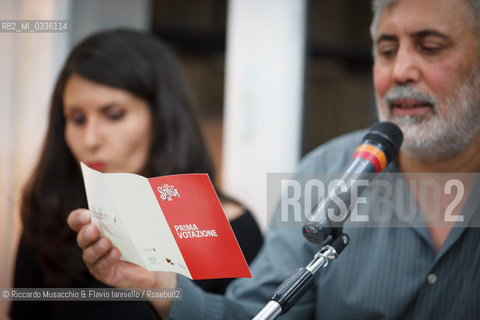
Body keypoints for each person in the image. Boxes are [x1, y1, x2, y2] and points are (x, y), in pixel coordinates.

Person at [68, 0, 480, 319]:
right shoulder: (323, 173)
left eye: (429, 48)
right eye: (387, 51)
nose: (401, 70)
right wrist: (158, 284)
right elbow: (257, 312)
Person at [9, 29, 263, 319]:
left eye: (114, 114)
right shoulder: (51, 217)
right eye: (77, 118)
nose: (90, 139)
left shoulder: (229, 228)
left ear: (162, 117)